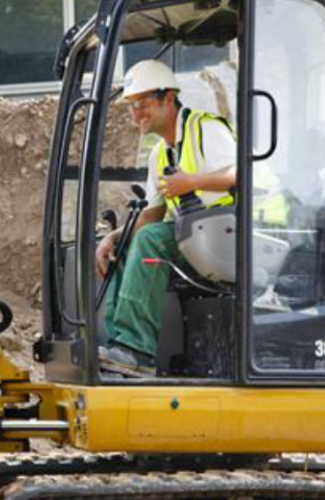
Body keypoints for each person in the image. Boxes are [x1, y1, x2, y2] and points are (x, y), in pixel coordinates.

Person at [96, 60, 237, 375]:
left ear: (168, 98)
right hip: (200, 236)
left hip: (236, 232)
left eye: (143, 103)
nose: (136, 113)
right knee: (128, 244)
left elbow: (238, 172)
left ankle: (136, 350)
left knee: (149, 240)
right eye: (132, 106)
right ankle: (119, 346)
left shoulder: (205, 127)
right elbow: (150, 216)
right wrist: (112, 238)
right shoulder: (159, 154)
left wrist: (192, 182)